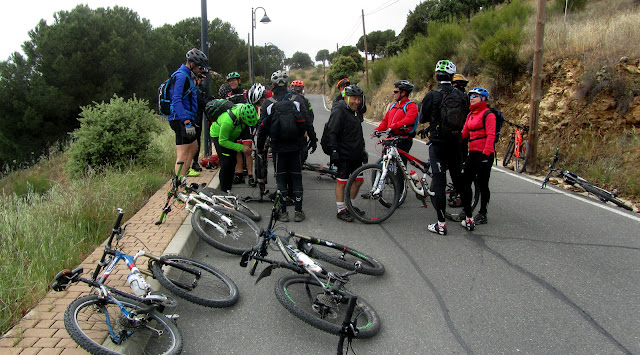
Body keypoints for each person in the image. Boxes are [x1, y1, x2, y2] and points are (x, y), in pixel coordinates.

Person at [256, 70, 317, 223]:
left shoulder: (268, 103)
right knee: (297, 177)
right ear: (287, 84)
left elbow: (262, 127)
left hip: (277, 148)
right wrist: (314, 139)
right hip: (296, 146)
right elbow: (307, 121)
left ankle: (283, 213)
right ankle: (298, 211)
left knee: (280, 178)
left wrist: (260, 147)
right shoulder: (298, 100)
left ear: (273, 85)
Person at [417, 59, 468, 235]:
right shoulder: (461, 95)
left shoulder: (432, 95)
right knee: (459, 180)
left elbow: (422, 118)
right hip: (456, 142)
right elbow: (466, 116)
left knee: (439, 182)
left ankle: (441, 223)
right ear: (452, 76)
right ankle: (469, 219)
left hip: (438, 143)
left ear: (437, 75)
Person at [323, 85, 366, 222]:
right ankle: (341, 209)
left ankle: (350, 205)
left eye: (359, 99)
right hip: (343, 153)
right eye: (354, 98)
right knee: (342, 182)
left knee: (358, 180)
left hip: (355, 152)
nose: (357, 102)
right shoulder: (339, 110)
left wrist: (363, 149)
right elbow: (332, 132)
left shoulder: (356, 111)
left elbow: (358, 132)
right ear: (346, 98)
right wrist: (334, 151)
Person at [167, 48, 208, 179]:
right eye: (200, 68)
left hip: (186, 117)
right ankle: (177, 187)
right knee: (182, 154)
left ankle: (184, 175)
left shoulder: (188, 76)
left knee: (194, 146)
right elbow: (176, 100)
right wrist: (186, 121)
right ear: (192, 64)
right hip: (179, 118)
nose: (201, 71)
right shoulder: (181, 76)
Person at [459, 87, 495, 229]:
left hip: (484, 153)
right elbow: (464, 133)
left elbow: (491, 135)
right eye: (471, 96)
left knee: (482, 183)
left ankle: (483, 213)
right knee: (465, 181)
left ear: (484, 99)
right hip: (473, 153)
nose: (472, 98)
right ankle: (467, 210)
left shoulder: (488, 114)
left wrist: (485, 154)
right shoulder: (471, 115)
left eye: (475, 96)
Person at [209, 103, 258, 193]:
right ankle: (223, 191)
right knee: (226, 162)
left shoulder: (243, 114)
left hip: (232, 134)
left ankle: (228, 190)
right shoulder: (227, 122)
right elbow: (222, 141)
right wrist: (241, 147)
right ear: (241, 117)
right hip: (219, 135)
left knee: (233, 161)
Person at [372, 80, 419, 165]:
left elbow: (409, 120)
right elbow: (385, 121)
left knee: (399, 166)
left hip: (403, 139)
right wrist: (377, 130)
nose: (393, 93)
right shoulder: (393, 106)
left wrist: (393, 127)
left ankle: (400, 178)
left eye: (396, 91)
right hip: (391, 138)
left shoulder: (411, 106)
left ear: (403, 93)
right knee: (384, 162)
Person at [290, 80, 315, 164]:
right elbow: (310, 116)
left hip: (287, 129)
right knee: (302, 148)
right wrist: (309, 132)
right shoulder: (305, 101)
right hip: (301, 129)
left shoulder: (285, 98)